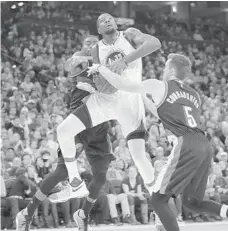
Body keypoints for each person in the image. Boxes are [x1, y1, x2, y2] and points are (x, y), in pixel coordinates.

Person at [87, 53, 228, 231]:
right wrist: (144, 99)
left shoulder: (159, 85)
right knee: (193, 202)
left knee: (157, 199)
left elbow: (124, 85)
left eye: (164, 67)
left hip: (186, 144)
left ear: (170, 69)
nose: (162, 70)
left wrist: (100, 68)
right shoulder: (195, 95)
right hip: (204, 145)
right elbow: (164, 113)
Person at [52, 12, 161, 230]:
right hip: (107, 99)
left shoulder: (129, 35)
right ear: (98, 30)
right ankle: (75, 181)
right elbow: (83, 72)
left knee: (139, 156)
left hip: (131, 100)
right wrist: (87, 72)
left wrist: (125, 60)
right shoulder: (95, 49)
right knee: (63, 130)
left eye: (109, 18)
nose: (107, 20)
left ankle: (161, 210)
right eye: (102, 21)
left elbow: (155, 43)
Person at [15, 35, 114, 231]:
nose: (91, 46)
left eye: (95, 44)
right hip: (78, 124)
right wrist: (93, 59)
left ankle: (82, 215)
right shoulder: (79, 58)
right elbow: (71, 65)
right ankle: (27, 213)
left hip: (100, 127)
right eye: (88, 43)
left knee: (101, 177)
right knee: (61, 172)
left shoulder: (106, 64)